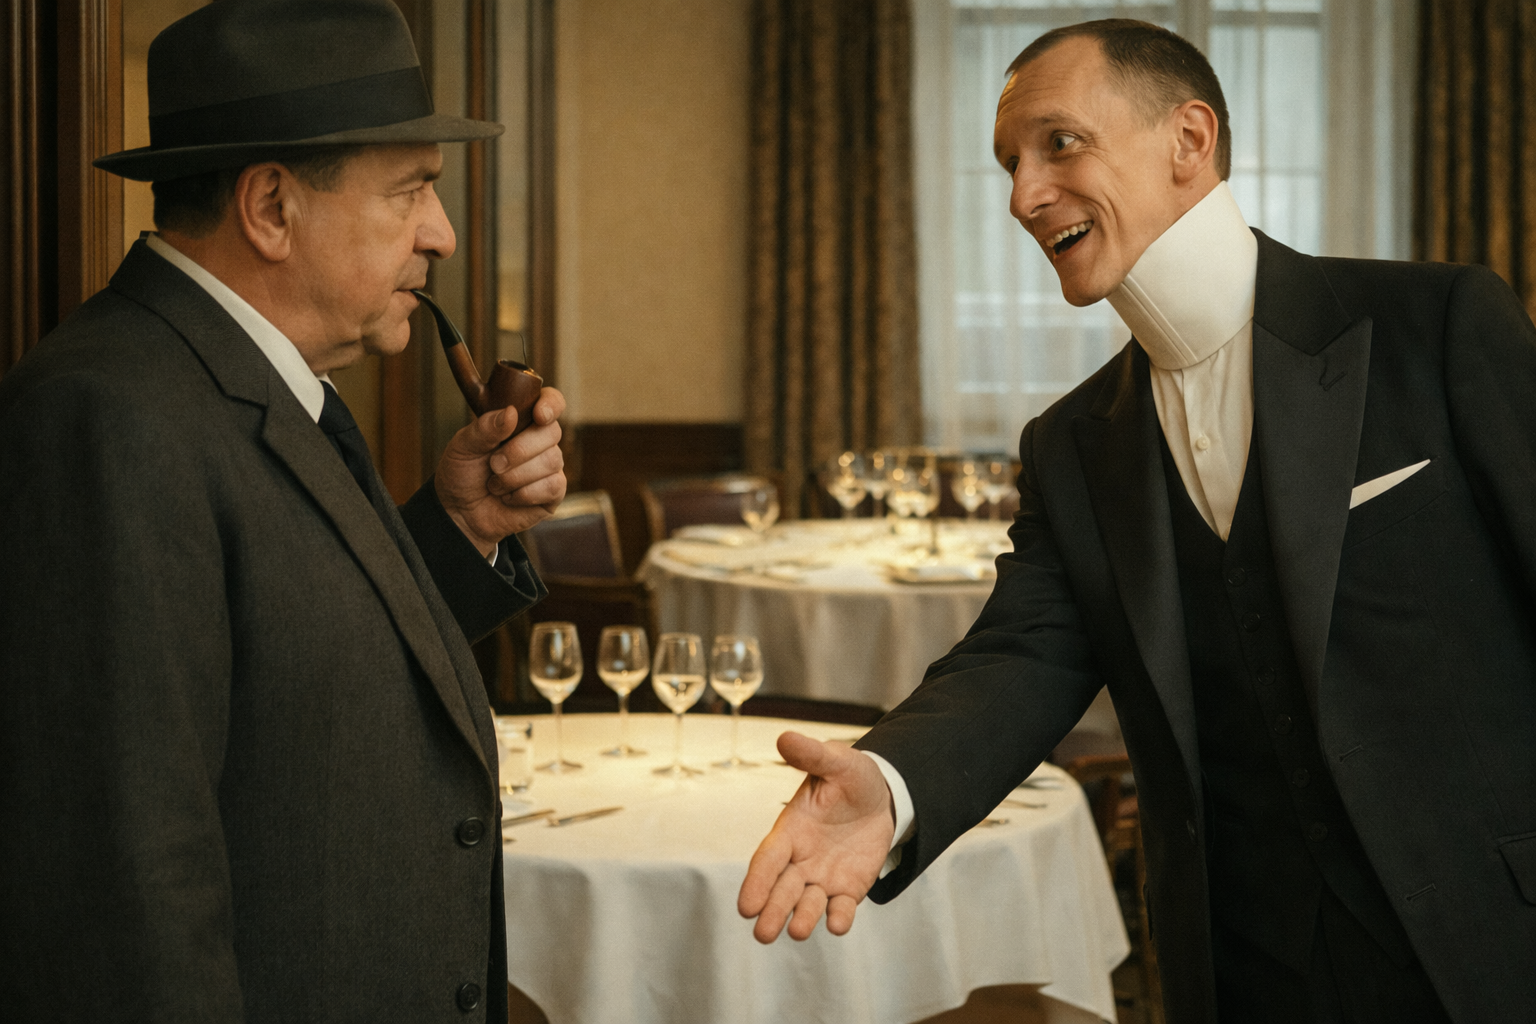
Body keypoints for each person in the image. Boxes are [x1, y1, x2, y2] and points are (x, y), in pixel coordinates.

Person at [740, 19, 1536, 1024]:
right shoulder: (1071, 444)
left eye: (1059, 144)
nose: (1024, 196)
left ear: (1189, 140)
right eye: (1011, 164)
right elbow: (1022, 656)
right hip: (1241, 968)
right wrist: (893, 783)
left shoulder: (1439, 325)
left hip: (1494, 937)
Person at [0, 2, 565, 1020]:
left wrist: (459, 528)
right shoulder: (106, 416)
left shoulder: (259, 385)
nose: (441, 234)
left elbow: (301, 685)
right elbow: (130, 885)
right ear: (270, 207)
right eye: (411, 190)